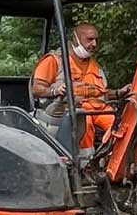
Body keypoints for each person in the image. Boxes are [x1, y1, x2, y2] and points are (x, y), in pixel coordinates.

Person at [30, 22, 131, 150]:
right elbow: (36, 89)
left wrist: (118, 93)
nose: (94, 44)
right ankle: (84, 165)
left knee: (121, 126)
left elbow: (101, 93)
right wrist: (55, 91)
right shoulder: (54, 60)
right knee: (83, 123)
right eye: (89, 39)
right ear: (76, 38)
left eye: (96, 40)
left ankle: (111, 160)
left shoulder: (95, 66)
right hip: (64, 113)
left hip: (96, 110)